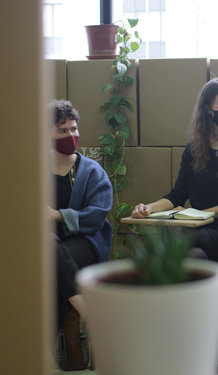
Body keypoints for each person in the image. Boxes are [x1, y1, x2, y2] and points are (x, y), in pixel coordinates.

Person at [132, 78, 218, 274]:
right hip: (201, 237)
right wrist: (148, 208)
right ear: (207, 110)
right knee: (193, 258)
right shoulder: (193, 150)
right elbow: (177, 195)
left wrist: (200, 215)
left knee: (183, 237)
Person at [48, 100, 113, 326]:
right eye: (62, 131)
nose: (70, 135)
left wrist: (56, 215)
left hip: (85, 242)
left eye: (74, 129)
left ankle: (45, 351)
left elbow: (97, 215)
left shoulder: (92, 171)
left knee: (48, 269)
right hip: (47, 244)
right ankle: (86, 311)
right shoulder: (34, 171)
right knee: (48, 253)